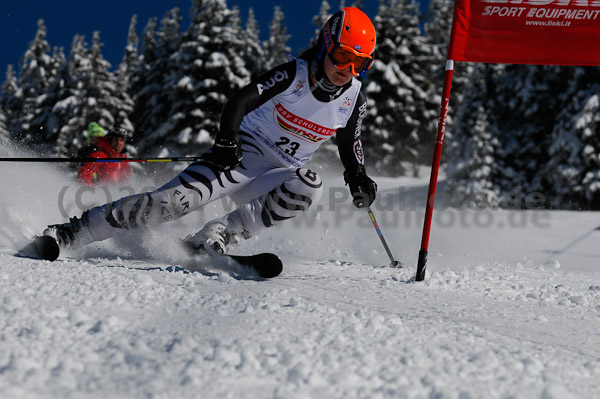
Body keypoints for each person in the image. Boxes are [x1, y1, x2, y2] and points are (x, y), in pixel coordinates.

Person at [43, 7, 378, 257]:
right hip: (239, 158)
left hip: (277, 174)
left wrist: (358, 177)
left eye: (359, 64)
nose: (346, 70)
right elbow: (241, 100)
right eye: (342, 57)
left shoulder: (353, 98)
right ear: (325, 46)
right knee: (169, 205)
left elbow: (350, 142)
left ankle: (219, 235)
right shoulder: (296, 74)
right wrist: (227, 140)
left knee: (311, 186)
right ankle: (74, 232)